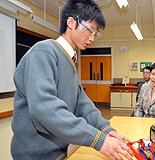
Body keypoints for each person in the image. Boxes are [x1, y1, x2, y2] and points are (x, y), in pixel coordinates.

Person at [11, 1, 133, 160]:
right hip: (33, 154)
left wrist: (105, 129)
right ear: (71, 22)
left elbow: (82, 103)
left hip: (58, 151)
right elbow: (44, 108)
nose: (92, 38)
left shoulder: (69, 60)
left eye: (95, 33)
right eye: (89, 30)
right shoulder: (44, 51)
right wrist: (97, 140)